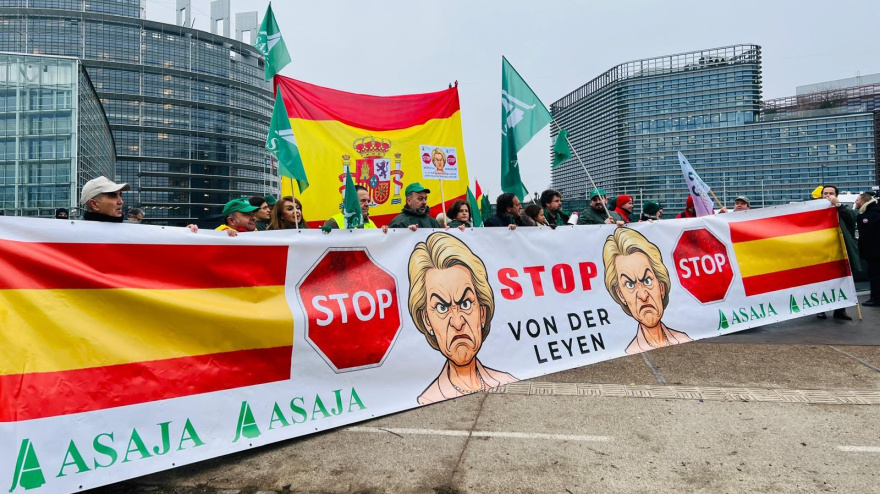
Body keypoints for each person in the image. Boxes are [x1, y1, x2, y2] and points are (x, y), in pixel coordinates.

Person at [407, 232, 518, 404]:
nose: (457, 323)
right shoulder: (426, 399)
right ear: (427, 320)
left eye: (466, 304)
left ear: (482, 312)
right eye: (442, 308)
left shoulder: (507, 380)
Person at [603, 227, 692, 355]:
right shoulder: (628, 352)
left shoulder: (683, 337)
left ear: (661, 287)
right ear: (620, 295)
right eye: (630, 284)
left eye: (647, 281)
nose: (643, 295)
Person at [817, 185, 860, 321]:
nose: (828, 195)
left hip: (841, 252)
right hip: (823, 253)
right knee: (823, 283)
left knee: (843, 281)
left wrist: (837, 205)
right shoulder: (815, 211)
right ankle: (821, 310)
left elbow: (852, 218)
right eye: (825, 193)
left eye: (831, 193)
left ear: (836, 195)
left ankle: (840, 310)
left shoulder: (841, 210)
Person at [323, 185, 387, 231]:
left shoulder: (371, 223)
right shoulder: (333, 223)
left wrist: (382, 234)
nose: (367, 204)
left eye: (368, 201)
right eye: (363, 200)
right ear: (351, 201)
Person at [856, 192, 879, 307]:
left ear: (863, 202)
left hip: (874, 252)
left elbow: (866, 235)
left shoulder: (867, 216)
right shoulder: (877, 211)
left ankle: (876, 298)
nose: (856, 202)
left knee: (874, 275)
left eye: (857, 200)